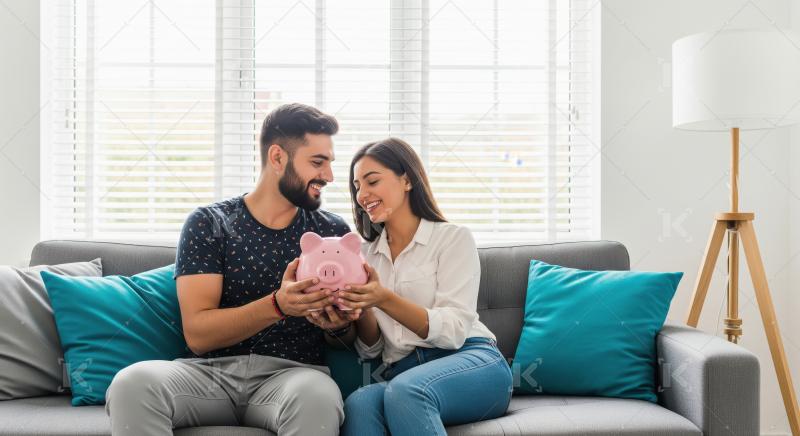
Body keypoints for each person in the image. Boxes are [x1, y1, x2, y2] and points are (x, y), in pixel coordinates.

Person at [105, 103, 360, 436]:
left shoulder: (332, 232)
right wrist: (278, 306)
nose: (328, 176)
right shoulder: (210, 224)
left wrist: (339, 326)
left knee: (318, 397)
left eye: (329, 163)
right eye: (317, 162)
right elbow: (198, 335)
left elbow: (346, 340)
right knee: (131, 383)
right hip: (208, 376)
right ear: (278, 157)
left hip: (291, 378)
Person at [339, 138, 513, 435]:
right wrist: (362, 308)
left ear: (406, 180)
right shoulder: (366, 256)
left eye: (372, 181)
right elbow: (372, 350)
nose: (362, 195)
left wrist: (383, 298)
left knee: (407, 391)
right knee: (359, 403)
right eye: (357, 186)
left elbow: (456, 329)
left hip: (470, 361)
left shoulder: (452, 239)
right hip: (403, 372)